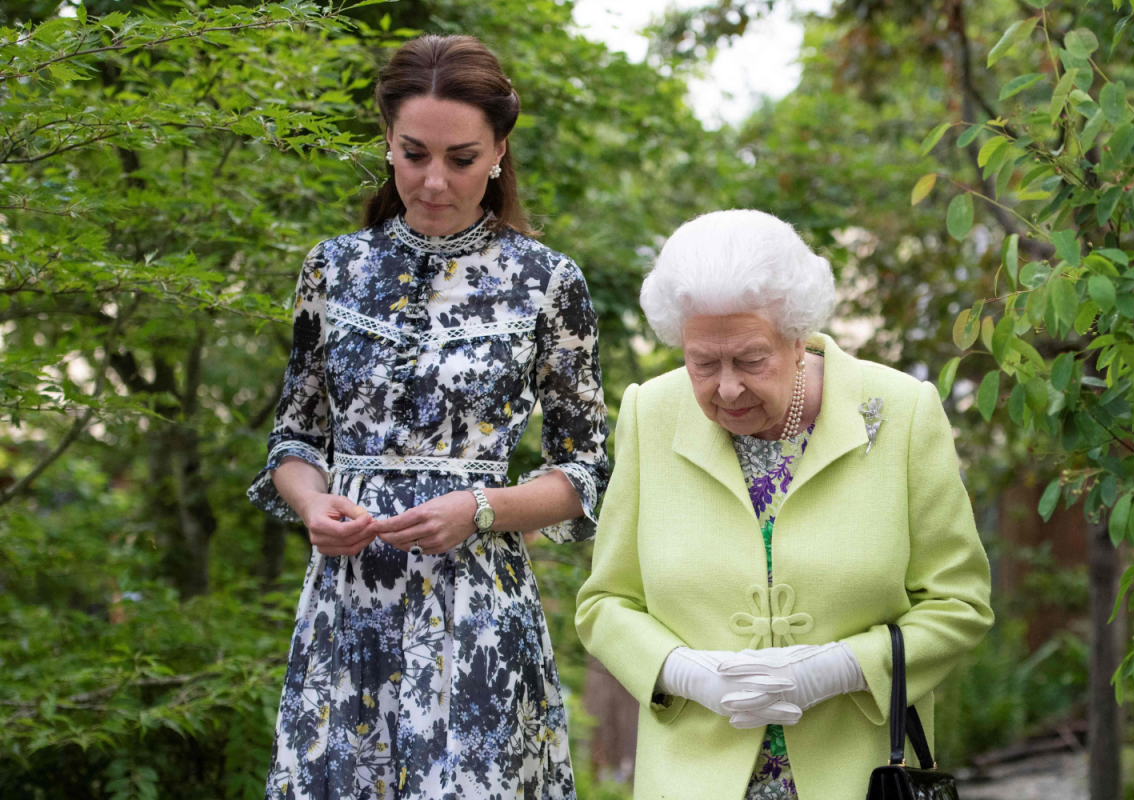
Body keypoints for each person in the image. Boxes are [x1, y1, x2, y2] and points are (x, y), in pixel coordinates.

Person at [247, 34, 609, 800]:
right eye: (414, 154)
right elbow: (295, 437)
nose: (435, 180)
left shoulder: (548, 282)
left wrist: (481, 508)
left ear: (500, 152)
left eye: (462, 158)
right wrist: (312, 504)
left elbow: (588, 472)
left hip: (476, 611)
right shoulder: (332, 269)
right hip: (347, 611)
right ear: (387, 140)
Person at [575, 209, 993, 800]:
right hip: (692, 779)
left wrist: (842, 668)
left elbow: (959, 604)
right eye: (702, 363)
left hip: (858, 779)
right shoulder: (650, 413)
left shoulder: (902, 411)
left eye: (750, 359)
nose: (726, 387)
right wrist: (686, 674)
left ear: (797, 339)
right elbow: (606, 604)